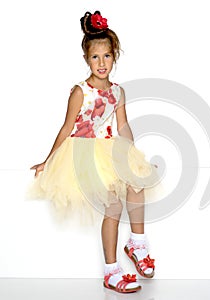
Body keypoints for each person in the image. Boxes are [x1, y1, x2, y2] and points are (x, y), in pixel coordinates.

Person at [27, 10, 158, 294]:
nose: (102, 63)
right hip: (82, 152)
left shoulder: (118, 92)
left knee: (137, 181)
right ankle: (111, 271)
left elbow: (122, 126)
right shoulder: (80, 92)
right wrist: (47, 161)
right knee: (113, 205)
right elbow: (66, 128)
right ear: (86, 59)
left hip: (109, 147)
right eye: (95, 57)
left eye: (107, 56)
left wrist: (135, 158)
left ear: (115, 56)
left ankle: (137, 242)